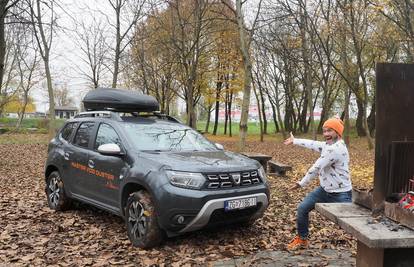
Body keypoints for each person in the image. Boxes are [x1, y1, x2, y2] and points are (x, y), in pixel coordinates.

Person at [283, 117, 352, 250]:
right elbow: (313, 144)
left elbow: (316, 168)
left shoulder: (336, 149)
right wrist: (295, 140)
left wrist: (300, 184)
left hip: (341, 193)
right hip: (324, 190)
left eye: (330, 130)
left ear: (338, 132)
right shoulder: (328, 145)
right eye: (324, 131)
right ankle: (302, 239)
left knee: (350, 224)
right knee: (303, 208)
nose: (326, 134)